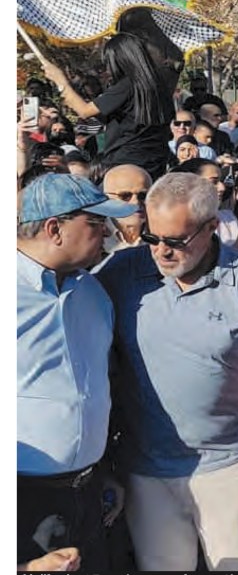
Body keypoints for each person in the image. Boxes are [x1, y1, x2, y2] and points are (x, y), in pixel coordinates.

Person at [95, 172, 238, 570]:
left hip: (227, 468)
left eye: (176, 241)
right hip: (145, 471)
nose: (161, 251)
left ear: (211, 227)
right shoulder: (122, 272)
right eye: (152, 237)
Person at [18, 174, 136, 570]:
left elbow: (95, 388)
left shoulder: (93, 293)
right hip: (21, 497)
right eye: (96, 223)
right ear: (54, 228)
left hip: (87, 491)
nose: (108, 233)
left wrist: (102, 469)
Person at [41, 33, 174, 180]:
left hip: (124, 162)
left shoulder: (128, 85)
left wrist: (61, 81)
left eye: (109, 63)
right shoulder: (158, 87)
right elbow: (126, 120)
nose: (108, 69)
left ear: (120, 60)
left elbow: (85, 111)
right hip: (154, 162)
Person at [101, 163, 152, 257]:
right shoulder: (94, 234)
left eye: (143, 196)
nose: (136, 202)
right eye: (125, 196)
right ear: (106, 197)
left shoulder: (160, 235)